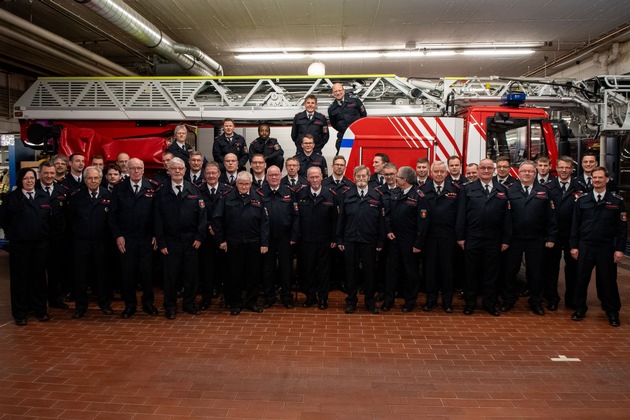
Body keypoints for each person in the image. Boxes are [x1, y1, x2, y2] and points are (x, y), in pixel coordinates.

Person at [570, 166, 627, 327]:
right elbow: (575, 225)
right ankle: (580, 308)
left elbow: (622, 228)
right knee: (581, 278)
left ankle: (612, 312)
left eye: (600, 177)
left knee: (608, 280)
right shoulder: (582, 200)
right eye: (594, 177)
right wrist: (574, 246)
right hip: (585, 246)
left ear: (607, 180)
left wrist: (619, 249)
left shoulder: (617, 202)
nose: (597, 180)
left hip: (606, 247)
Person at [456, 158, 511, 316]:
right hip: (472, 237)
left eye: (489, 168)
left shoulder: (502, 190)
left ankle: (490, 303)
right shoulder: (467, 189)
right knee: (470, 272)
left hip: (493, 239)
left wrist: (506, 239)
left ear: (494, 170)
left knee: (491, 273)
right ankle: (470, 303)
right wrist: (460, 237)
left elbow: (507, 217)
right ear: (478, 170)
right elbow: (461, 215)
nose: (486, 171)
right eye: (483, 168)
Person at [502, 160, 557, 316]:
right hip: (514, 239)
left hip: (536, 239)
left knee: (535, 272)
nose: (527, 174)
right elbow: (504, 216)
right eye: (524, 171)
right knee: (510, 271)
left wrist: (551, 237)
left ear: (536, 173)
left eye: (531, 171)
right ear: (518, 173)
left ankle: (536, 301)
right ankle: (508, 300)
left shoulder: (545, 191)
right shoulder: (509, 190)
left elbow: (551, 217)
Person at [154, 157, 206, 320]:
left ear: (185, 170)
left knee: (191, 275)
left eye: (180, 168)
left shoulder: (194, 190)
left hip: (191, 241)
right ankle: (170, 306)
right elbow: (157, 219)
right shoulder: (161, 192)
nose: (177, 171)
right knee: (170, 276)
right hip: (171, 241)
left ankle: (189, 304)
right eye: (174, 168)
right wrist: (161, 242)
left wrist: (199, 237)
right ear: (168, 170)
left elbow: (203, 216)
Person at [109, 158, 160, 318]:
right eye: (133, 168)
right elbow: (112, 215)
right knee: (127, 273)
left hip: (146, 238)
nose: (136, 171)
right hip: (127, 239)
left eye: (139, 168)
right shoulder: (119, 189)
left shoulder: (152, 187)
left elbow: (158, 215)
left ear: (144, 170)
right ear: (127, 170)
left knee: (147, 273)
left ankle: (148, 303)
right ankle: (130, 305)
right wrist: (118, 236)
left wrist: (156, 234)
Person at [212, 171, 269, 315]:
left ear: (251, 184)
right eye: (241, 184)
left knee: (253, 274)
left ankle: (251, 302)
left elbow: (265, 223)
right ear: (236, 184)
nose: (243, 186)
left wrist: (264, 243)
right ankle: (235, 303)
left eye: (246, 184)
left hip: (253, 242)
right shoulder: (226, 198)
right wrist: (221, 240)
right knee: (234, 274)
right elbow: (217, 219)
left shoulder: (259, 198)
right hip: (233, 242)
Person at [0, 168, 50, 326]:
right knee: (19, 279)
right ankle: (20, 313)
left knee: (39, 278)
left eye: (31, 178)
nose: (29, 181)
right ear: (20, 180)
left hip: (40, 245)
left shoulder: (43, 196)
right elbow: (3, 220)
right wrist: (14, 234)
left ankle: (40, 310)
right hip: (19, 245)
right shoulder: (11, 199)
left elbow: (51, 219)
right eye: (26, 178)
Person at [337, 165, 384, 314]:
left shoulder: (377, 195)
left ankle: (369, 302)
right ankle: (351, 301)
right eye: (358, 176)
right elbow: (341, 219)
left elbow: (381, 222)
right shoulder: (347, 194)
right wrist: (340, 239)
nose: (361, 179)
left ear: (368, 178)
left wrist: (380, 241)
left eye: (364, 176)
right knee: (351, 272)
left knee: (369, 272)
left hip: (369, 240)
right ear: (354, 177)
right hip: (350, 239)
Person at [67, 166, 113, 318]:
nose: (93, 181)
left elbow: (112, 220)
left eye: (96, 178)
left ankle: (104, 304)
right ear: (85, 179)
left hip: (102, 242)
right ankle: (80, 307)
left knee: (103, 274)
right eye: (89, 178)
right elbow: (70, 219)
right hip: (81, 242)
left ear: (101, 179)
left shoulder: (109, 195)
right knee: (80, 275)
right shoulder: (76, 196)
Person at [382, 166, 429, 312]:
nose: (395, 179)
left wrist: (418, 243)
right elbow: (387, 214)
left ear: (405, 180)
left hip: (410, 241)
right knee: (391, 271)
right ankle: (388, 300)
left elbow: (423, 223)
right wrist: (388, 230)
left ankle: (410, 301)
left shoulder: (419, 196)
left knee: (411, 272)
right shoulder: (395, 192)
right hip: (394, 239)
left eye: (398, 177)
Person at [420, 161, 459, 313]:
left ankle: (447, 302)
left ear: (446, 172)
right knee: (430, 271)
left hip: (448, 237)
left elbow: (459, 215)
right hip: (429, 238)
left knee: (448, 271)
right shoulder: (423, 190)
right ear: (431, 172)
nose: (439, 174)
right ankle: (431, 300)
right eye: (436, 171)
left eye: (442, 171)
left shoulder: (455, 190)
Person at [296, 166, 338, 309]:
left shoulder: (330, 194)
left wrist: (334, 238)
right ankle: (310, 297)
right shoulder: (300, 194)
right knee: (308, 270)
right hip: (306, 240)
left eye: (317, 177)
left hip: (324, 241)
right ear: (307, 178)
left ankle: (323, 298)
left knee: (324, 271)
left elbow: (335, 219)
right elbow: (297, 218)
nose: (314, 180)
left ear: (322, 177)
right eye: (311, 177)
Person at [259, 165, 299, 309]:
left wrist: (294, 236)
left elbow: (296, 216)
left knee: (286, 268)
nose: (274, 177)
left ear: (281, 176)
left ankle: (286, 296)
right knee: (267, 268)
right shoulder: (260, 193)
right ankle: (269, 296)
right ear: (267, 177)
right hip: (267, 238)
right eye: (271, 175)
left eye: (276, 175)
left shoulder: (289, 192)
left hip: (285, 237)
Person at [544, 155, 580, 310]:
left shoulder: (580, 187)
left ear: (572, 169)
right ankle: (552, 298)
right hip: (553, 235)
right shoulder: (548, 187)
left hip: (573, 235)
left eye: (567, 167)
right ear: (556, 169)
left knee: (572, 269)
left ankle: (571, 299)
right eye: (561, 167)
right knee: (551, 268)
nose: (564, 170)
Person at [198, 161, 232, 310]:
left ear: (219, 174)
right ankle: (206, 299)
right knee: (206, 269)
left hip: (223, 236)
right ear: (204, 175)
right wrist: (208, 226)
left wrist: (218, 229)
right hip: (205, 237)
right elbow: (196, 214)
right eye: (208, 173)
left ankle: (226, 298)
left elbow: (230, 214)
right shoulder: (198, 190)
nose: (211, 175)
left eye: (214, 173)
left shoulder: (228, 190)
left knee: (225, 268)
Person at [36, 161, 69, 310]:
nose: (49, 176)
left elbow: (68, 215)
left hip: (57, 238)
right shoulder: (33, 189)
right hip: (38, 239)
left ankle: (55, 299)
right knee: (38, 272)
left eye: (52, 173)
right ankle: (39, 302)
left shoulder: (62, 190)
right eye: (46, 173)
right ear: (40, 173)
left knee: (56, 270)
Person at [328, 82, 367, 153]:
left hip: (357, 135)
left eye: (339, 90)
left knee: (358, 155)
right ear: (333, 93)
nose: (338, 93)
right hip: (343, 135)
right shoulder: (331, 108)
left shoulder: (355, 100)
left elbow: (363, 115)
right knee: (343, 156)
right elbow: (334, 124)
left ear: (343, 91)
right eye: (335, 91)